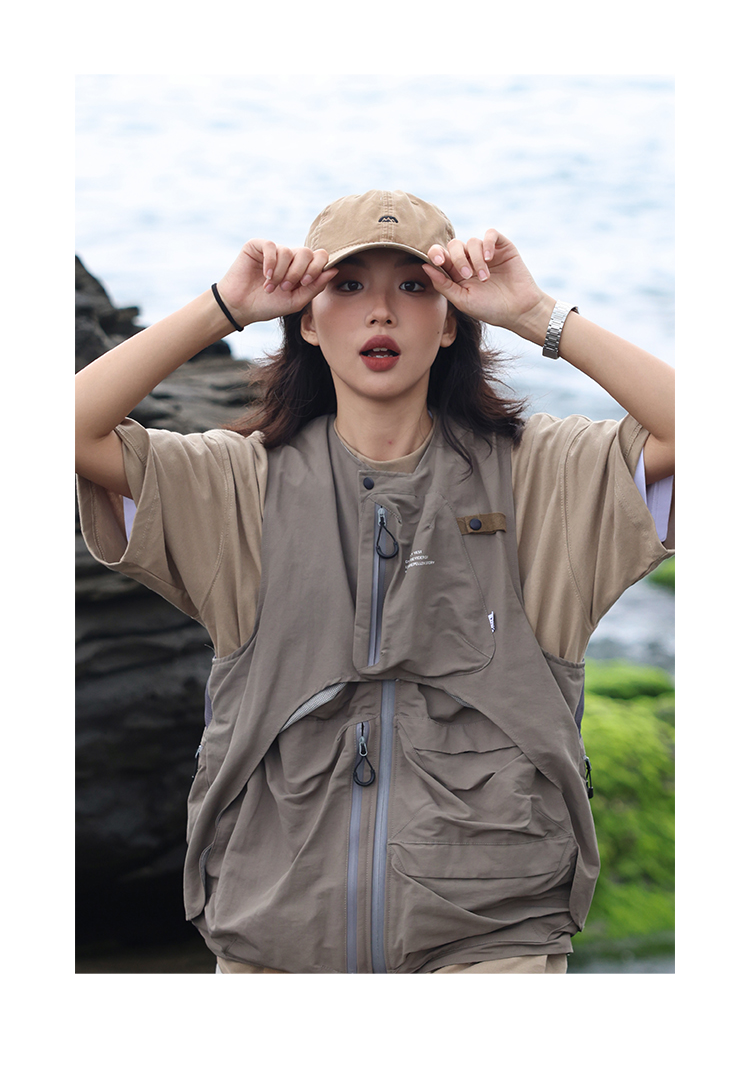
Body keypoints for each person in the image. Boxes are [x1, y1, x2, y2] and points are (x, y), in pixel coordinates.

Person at [75, 189, 675, 975]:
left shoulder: (543, 476)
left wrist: (537, 316)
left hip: (493, 937)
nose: (382, 312)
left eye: (415, 286)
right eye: (349, 286)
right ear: (307, 321)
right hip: (274, 937)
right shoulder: (235, 485)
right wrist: (224, 309)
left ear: (452, 320)